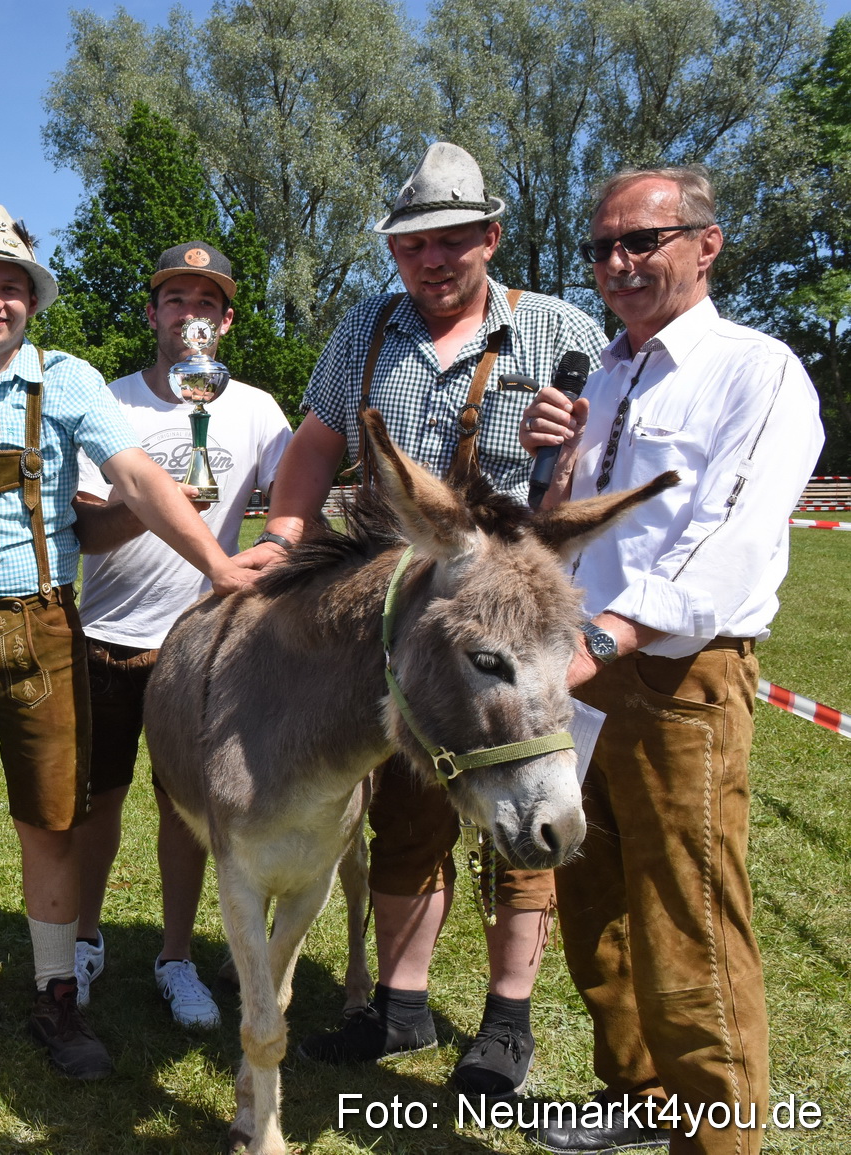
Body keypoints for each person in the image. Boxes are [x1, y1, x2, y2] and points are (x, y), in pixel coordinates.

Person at [249, 142, 608, 1097]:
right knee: (405, 806)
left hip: (510, 607)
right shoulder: (364, 331)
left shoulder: (560, 329)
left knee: (525, 798)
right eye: (413, 248)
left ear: (491, 237)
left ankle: (505, 1021)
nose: (433, 262)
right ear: (395, 256)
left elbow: (601, 472)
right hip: (398, 609)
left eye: (453, 242)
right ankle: (400, 1006)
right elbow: (316, 446)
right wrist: (284, 538)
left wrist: (568, 448)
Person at [0, 205, 255, 1081]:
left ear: (30, 303)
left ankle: (56, 995)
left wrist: (218, 565)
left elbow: (140, 482)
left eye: (10, 288)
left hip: (41, 627)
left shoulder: (68, 384)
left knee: (50, 819)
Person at [519, 166, 820, 1155]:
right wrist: (551, 467)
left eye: (639, 241)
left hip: (676, 674)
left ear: (705, 243)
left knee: (688, 920)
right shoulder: (600, 373)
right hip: (582, 662)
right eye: (601, 246)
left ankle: (718, 1141)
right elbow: (569, 530)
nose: (616, 264)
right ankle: (640, 1094)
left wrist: (609, 636)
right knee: (591, 901)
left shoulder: (756, 369)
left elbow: (726, 535)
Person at [68, 242, 291, 1027]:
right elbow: (85, 532)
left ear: (226, 321)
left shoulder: (256, 409)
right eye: (175, 300)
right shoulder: (109, 402)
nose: (189, 315)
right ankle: (84, 941)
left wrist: (284, 544)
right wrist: (160, 500)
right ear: (154, 313)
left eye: (205, 303)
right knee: (96, 799)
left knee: (189, 813)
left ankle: (176, 955)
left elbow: (298, 496)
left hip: (203, 648)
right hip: (104, 637)